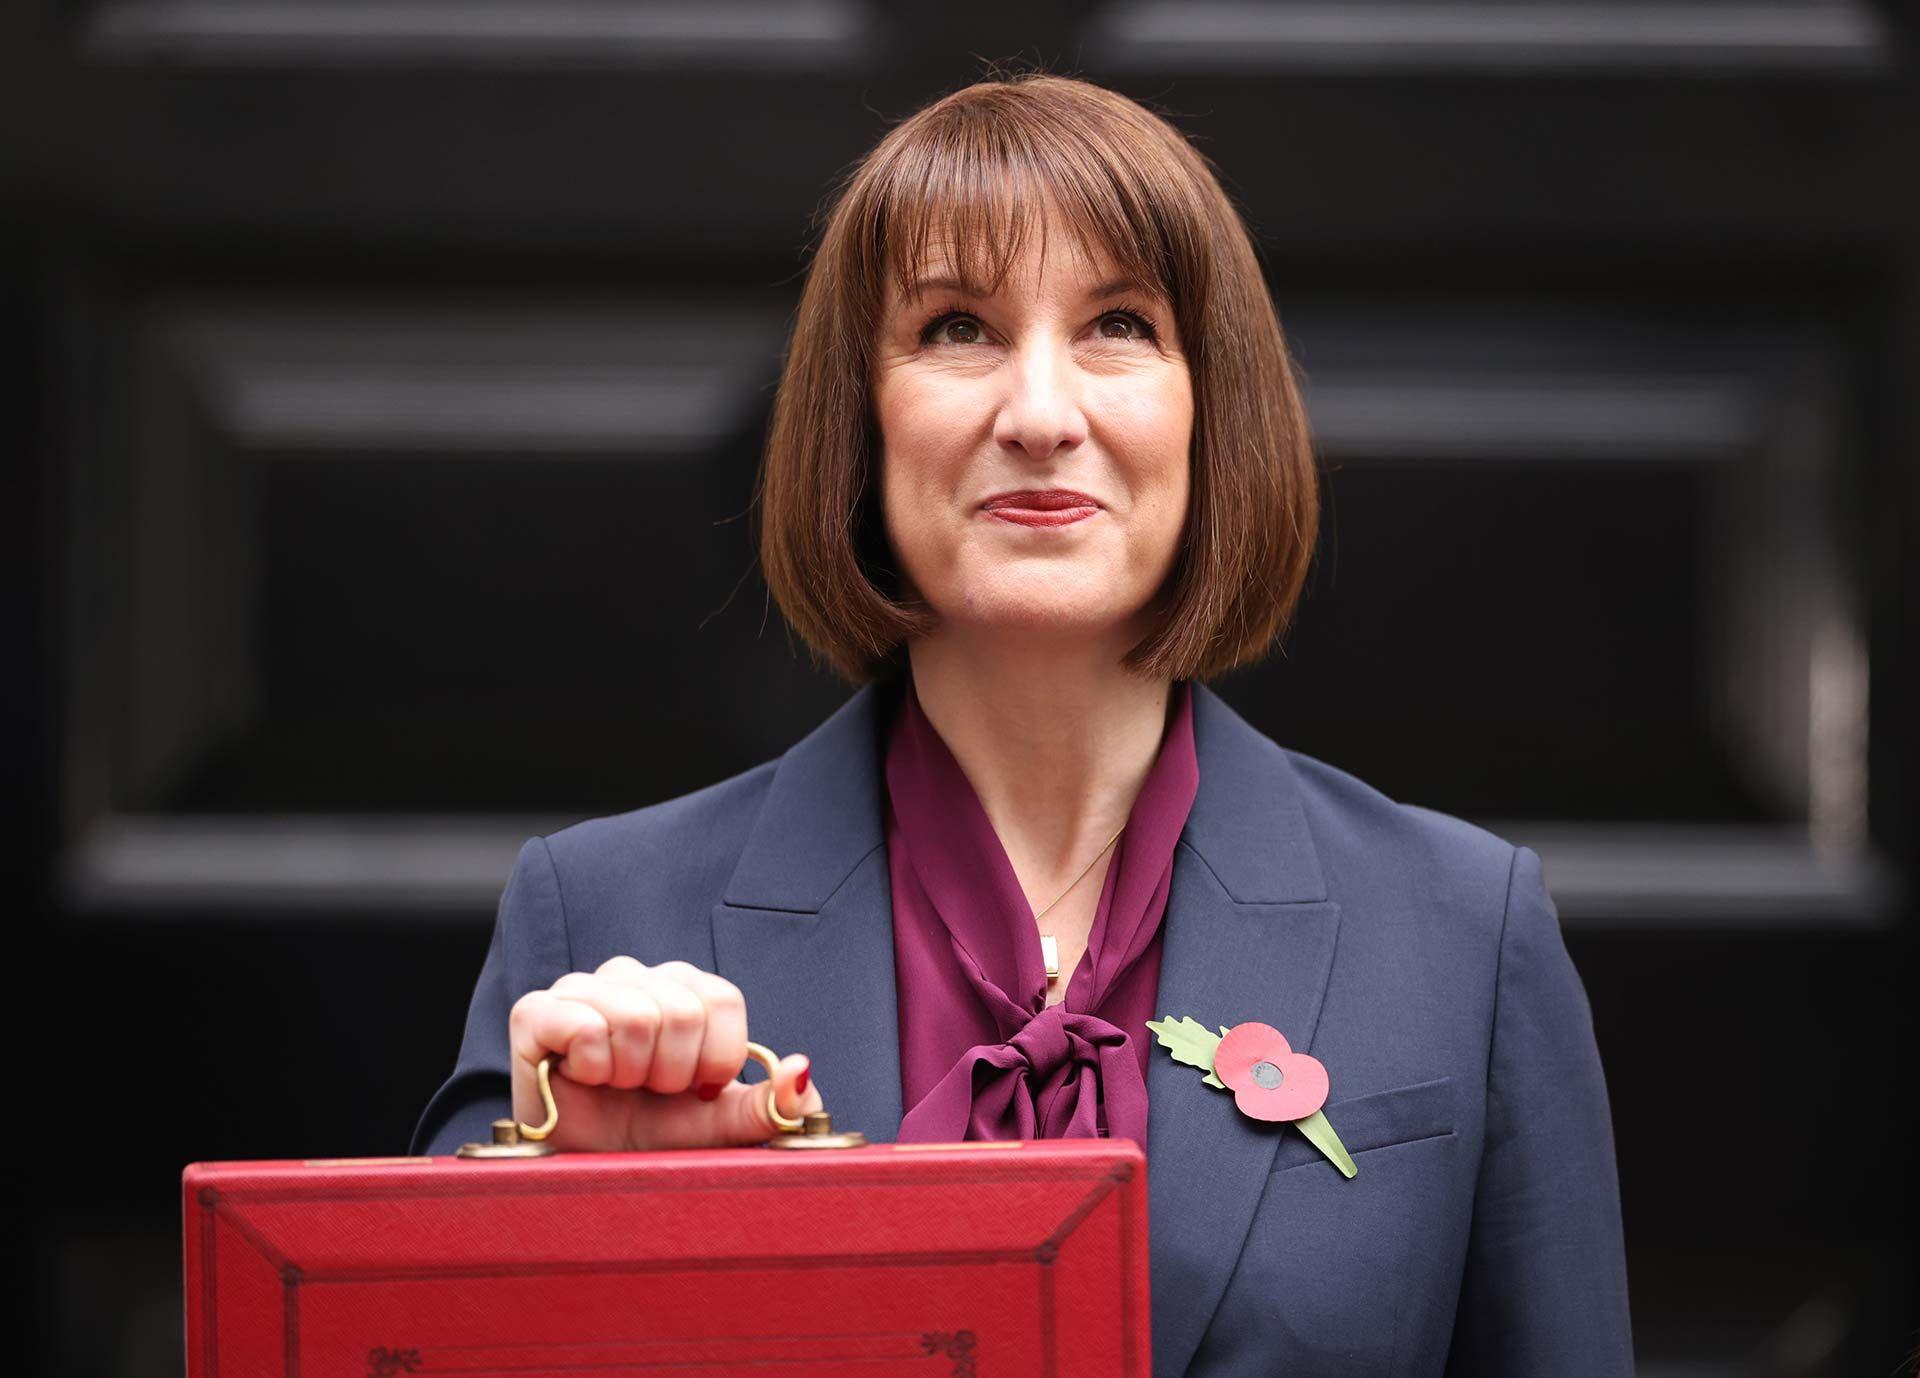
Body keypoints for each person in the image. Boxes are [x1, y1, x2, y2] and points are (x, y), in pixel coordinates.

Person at [411, 71, 1633, 1377]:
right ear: (858, 424)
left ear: (1212, 412)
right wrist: (551, 1175)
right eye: (955, 329)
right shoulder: (597, 921)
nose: (1043, 415)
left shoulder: (1465, 930)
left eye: (1118, 323)